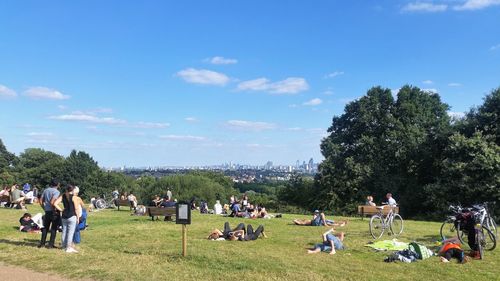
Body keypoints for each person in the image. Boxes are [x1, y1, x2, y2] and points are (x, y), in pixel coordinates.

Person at [53, 185, 80, 253]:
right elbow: (76, 208)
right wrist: (78, 217)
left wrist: (61, 210)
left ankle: (63, 245)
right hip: (72, 216)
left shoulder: (63, 196)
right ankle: (68, 247)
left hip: (64, 216)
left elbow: (55, 203)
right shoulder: (74, 197)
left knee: (64, 231)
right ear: (73, 190)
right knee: (70, 233)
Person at [39, 179, 61, 249]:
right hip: (53, 211)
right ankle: (51, 245)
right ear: (58, 184)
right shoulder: (56, 192)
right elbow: (52, 202)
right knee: (53, 228)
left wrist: (44, 208)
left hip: (47, 211)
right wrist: (54, 210)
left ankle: (42, 244)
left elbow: (40, 200)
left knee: (45, 228)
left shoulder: (46, 190)